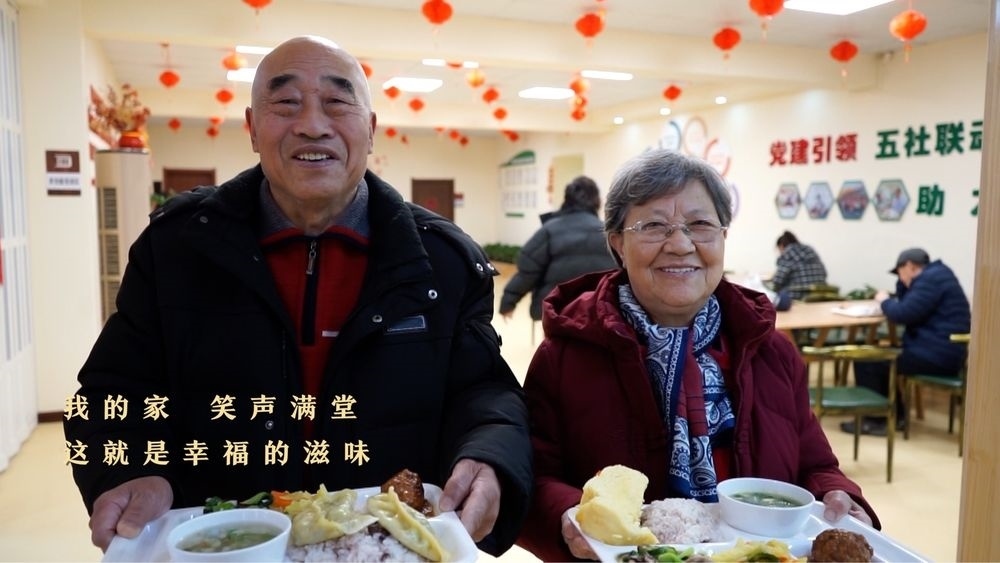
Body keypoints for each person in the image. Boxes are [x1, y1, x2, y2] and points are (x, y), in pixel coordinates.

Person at [63, 35, 531, 555]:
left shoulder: (443, 260)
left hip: (385, 542)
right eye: (285, 102)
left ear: (370, 129)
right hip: (228, 539)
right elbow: (117, 388)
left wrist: (488, 456)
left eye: (337, 101)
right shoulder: (176, 249)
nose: (312, 124)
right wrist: (129, 470)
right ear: (252, 128)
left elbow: (482, 391)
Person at [515, 150, 879, 562]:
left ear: (723, 236)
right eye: (654, 226)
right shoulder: (565, 358)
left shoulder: (771, 352)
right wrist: (567, 517)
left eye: (701, 225)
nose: (680, 244)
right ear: (617, 242)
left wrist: (838, 494)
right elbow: (532, 479)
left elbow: (815, 464)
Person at [841, 248, 971, 437]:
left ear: (910, 266)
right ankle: (895, 417)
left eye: (900, 272)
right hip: (942, 351)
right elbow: (907, 303)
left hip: (936, 355)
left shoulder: (930, 280)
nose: (900, 277)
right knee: (878, 358)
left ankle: (877, 420)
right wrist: (903, 283)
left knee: (868, 360)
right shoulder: (937, 275)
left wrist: (884, 301)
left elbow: (902, 314)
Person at [498, 176, 616, 322]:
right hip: (596, 312)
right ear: (597, 201)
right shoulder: (608, 234)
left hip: (555, 310)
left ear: (566, 200)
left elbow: (528, 271)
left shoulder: (550, 230)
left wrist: (509, 301)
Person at [771, 231, 828, 300]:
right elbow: (824, 273)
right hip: (819, 293)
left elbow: (778, 281)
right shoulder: (809, 249)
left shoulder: (787, 253)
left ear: (781, 246)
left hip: (797, 295)